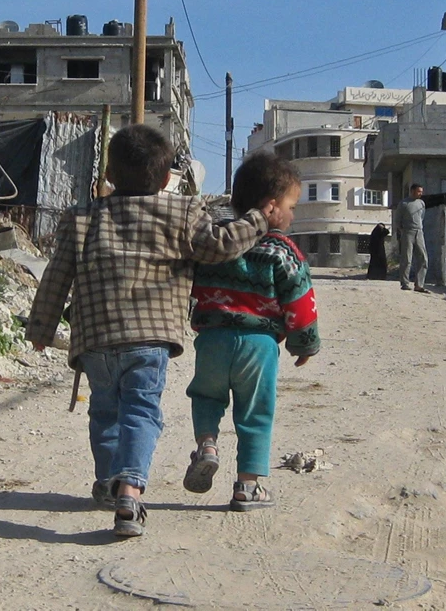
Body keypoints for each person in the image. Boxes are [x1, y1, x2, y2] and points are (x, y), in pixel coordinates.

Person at [25, 124, 269, 539]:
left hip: (96, 338)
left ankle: (108, 481)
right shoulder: (182, 212)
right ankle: (131, 491)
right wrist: (260, 219)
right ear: (163, 178)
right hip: (150, 339)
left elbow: (56, 276)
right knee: (140, 411)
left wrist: (41, 327)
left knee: (104, 412)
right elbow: (220, 245)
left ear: (110, 174)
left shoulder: (81, 218)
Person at [183, 150, 319, 511]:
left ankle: (207, 446)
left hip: (212, 340)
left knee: (206, 397)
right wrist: (304, 344)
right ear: (271, 207)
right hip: (259, 345)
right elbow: (300, 300)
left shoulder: (215, 244)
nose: (293, 213)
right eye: (292, 205)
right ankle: (248, 486)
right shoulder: (283, 251)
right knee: (255, 411)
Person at [395, 183, 429, 291]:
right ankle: (405, 283)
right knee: (407, 258)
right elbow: (398, 220)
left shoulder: (421, 203)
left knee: (423, 258)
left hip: (419, 232)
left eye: (421, 191)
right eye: (419, 191)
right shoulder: (404, 203)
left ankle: (419, 284)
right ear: (412, 191)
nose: (420, 193)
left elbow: (422, 217)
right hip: (407, 232)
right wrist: (403, 231)